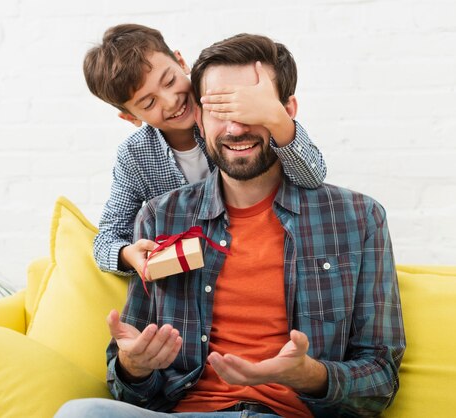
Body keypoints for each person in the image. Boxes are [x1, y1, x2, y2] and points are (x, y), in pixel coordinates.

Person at [57, 33, 405, 417]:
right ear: (201, 121)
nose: (236, 128)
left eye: (251, 109)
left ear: (287, 110)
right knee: (81, 412)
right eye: (220, 110)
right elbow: (134, 391)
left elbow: (380, 381)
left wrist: (310, 375)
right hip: (189, 411)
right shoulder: (159, 217)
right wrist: (134, 367)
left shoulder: (358, 218)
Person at [85, 24, 327, 280]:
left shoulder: (234, 117)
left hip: (266, 253)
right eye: (148, 102)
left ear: (180, 62)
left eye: (169, 81)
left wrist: (277, 118)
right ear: (130, 117)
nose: (171, 101)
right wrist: (127, 255)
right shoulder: (134, 156)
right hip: (200, 277)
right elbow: (108, 237)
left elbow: (312, 177)